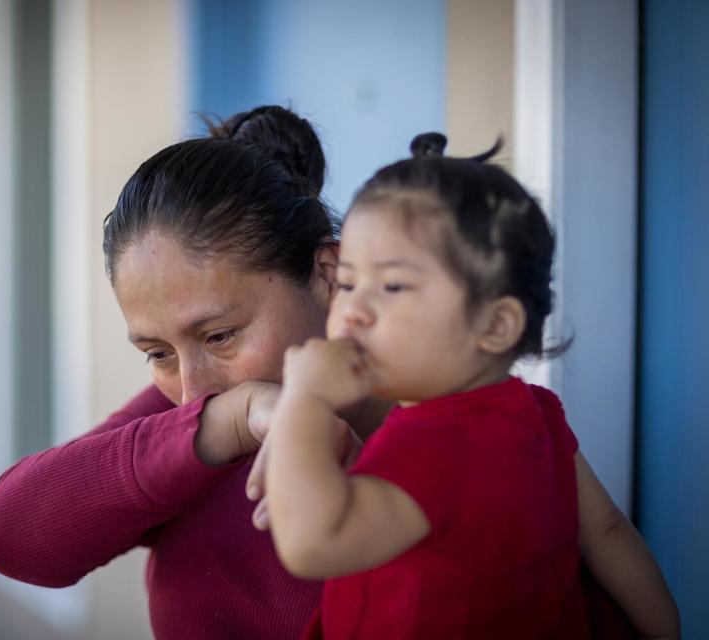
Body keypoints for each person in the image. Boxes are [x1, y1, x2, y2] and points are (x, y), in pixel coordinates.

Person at [0, 106, 388, 639]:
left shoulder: (454, 428)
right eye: (157, 352)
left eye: (219, 336)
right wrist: (223, 427)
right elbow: (9, 537)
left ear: (327, 274)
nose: (192, 389)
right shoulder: (203, 422)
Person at [256, 133, 680, 639]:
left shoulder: (439, 441)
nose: (353, 310)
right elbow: (607, 532)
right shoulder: (536, 414)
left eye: (392, 286)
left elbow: (311, 545)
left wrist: (303, 402)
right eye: (347, 282)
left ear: (496, 325)